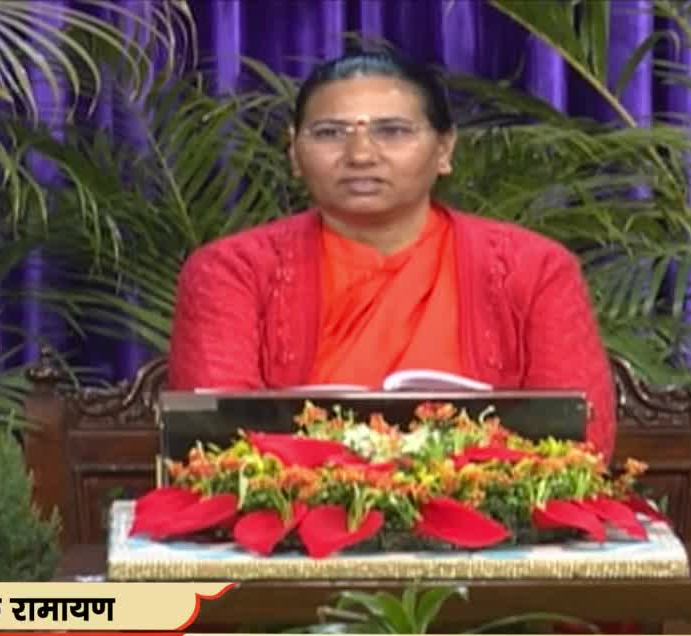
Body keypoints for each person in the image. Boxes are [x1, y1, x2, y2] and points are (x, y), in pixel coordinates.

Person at [167, 50, 617, 459]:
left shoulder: (535, 268)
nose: (360, 154)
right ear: (295, 153)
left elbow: (583, 437)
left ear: (444, 149)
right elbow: (215, 443)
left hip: (491, 528)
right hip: (291, 530)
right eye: (329, 133)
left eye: (393, 131)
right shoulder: (231, 271)